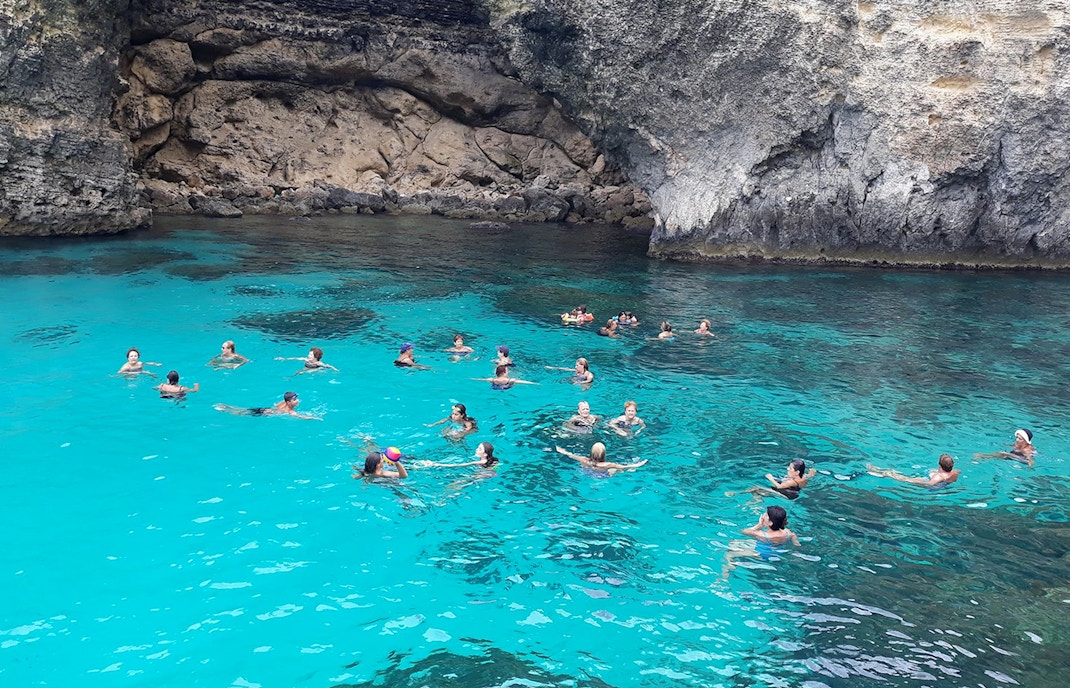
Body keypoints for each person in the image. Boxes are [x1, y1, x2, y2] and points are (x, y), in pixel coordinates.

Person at [722, 506, 800, 578]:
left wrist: (759, 525)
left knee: (729, 554)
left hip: (761, 554)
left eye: (765, 515)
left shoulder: (762, 534)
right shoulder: (788, 533)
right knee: (734, 542)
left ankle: (729, 567)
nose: (763, 516)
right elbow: (796, 544)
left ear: (770, 523)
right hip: (776, 553)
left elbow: (743, 531)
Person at [730, 459, 816, 500]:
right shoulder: (803, 477)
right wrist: (812, 470)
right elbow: (811, 474)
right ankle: (756, 503)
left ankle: (736, 493)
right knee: (757, 492)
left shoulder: (792, 482)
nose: (787, 469)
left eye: (790, 468)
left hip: (786, 495)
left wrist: (771, 478)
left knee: (756, 487)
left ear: (797, 472)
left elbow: (779, 486)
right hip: (793, 493)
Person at [555, 442, 647, 475]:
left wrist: (562, 450)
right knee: (616, 470)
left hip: (586, 472)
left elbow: (571, 455)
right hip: (601, 476)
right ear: (603, 454)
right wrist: (638, 464)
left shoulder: (584, 459)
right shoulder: (607, 464)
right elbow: (623, 466)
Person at [868, 454, 962, 486]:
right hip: (942, 484)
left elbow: (930, 484)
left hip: (933, 485)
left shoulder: (938, 476)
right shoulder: (954, 472)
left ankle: (884, 473)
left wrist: (915, 481)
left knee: (904, 478)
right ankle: (885, 472)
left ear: (939, 465)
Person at [214, 391, 319, 419]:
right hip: (264, 413)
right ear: (289, 402)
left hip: (264, 409)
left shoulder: (283, 403)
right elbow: (300, 416)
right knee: (240, 413)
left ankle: (226, 406)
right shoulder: (290, 411)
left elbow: (277, 404)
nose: (297, 401)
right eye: (295, 399)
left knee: (244, 409)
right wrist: (313, 417)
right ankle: (224, 410)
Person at [415, 441, 499, 470]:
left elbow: (458, 465)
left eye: (480, 449)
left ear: (485, 454)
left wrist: (436, 464)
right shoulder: (492, 459)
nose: (476, 449)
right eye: (477, 447)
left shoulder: (480, 462)